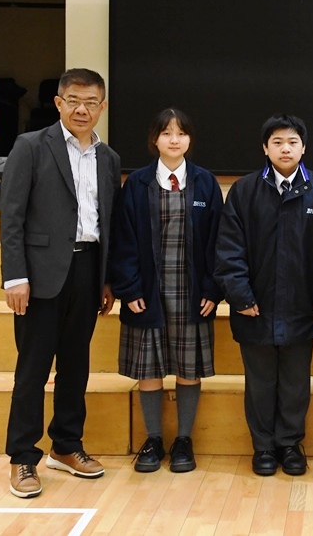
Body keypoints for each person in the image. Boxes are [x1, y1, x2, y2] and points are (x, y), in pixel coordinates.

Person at [1, 68, 121, 499]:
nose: (81, 109)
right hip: (39, 276)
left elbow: (107, 223)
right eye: (73, 100)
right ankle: (22, 457)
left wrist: (106, 279)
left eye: (90, 102)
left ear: (102, 107)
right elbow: (11, 216)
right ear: (58, 103)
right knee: (33, 369)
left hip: (88, 272)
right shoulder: (31, 146)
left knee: (76, 365)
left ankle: (66, 445)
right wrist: (15, 276)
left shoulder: (108, 158)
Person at [214, 115, 313, 477]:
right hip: (255, 306)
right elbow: (229, 249)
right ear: (265, 148)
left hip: (303, 307)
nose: (286, 148)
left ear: (304, 148)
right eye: (278, 142)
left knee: (297, 382)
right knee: (260, 382)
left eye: (293, 142)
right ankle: (264, 446)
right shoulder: (244, 191)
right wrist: (240, 296)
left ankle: (290, 444)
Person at [110, 108, 224, 474]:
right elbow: (124, 240)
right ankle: (154, 439)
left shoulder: (205, 183)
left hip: (192, 294)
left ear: (190, 139)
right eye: (166, 133)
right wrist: (129, 288)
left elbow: (218, 241)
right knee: (149, 369)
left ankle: (184, 439)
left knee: (189, 369)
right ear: (154, 139)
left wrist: (212, 289)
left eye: (181, 133)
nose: (174, 140)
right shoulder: (137, 184)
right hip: (148, 292)